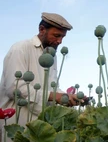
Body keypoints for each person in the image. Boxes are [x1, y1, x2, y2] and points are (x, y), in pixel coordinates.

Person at [0, 12, 81, 141]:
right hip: (17, 127)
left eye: (62, 37)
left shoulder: (52, 56)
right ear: (42, 29)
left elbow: (52, 87)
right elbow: (14, 88)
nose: (60, 41)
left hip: (40, 129)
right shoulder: (20, 49)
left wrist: (67, 97)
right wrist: (53, 96)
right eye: (56, 35)